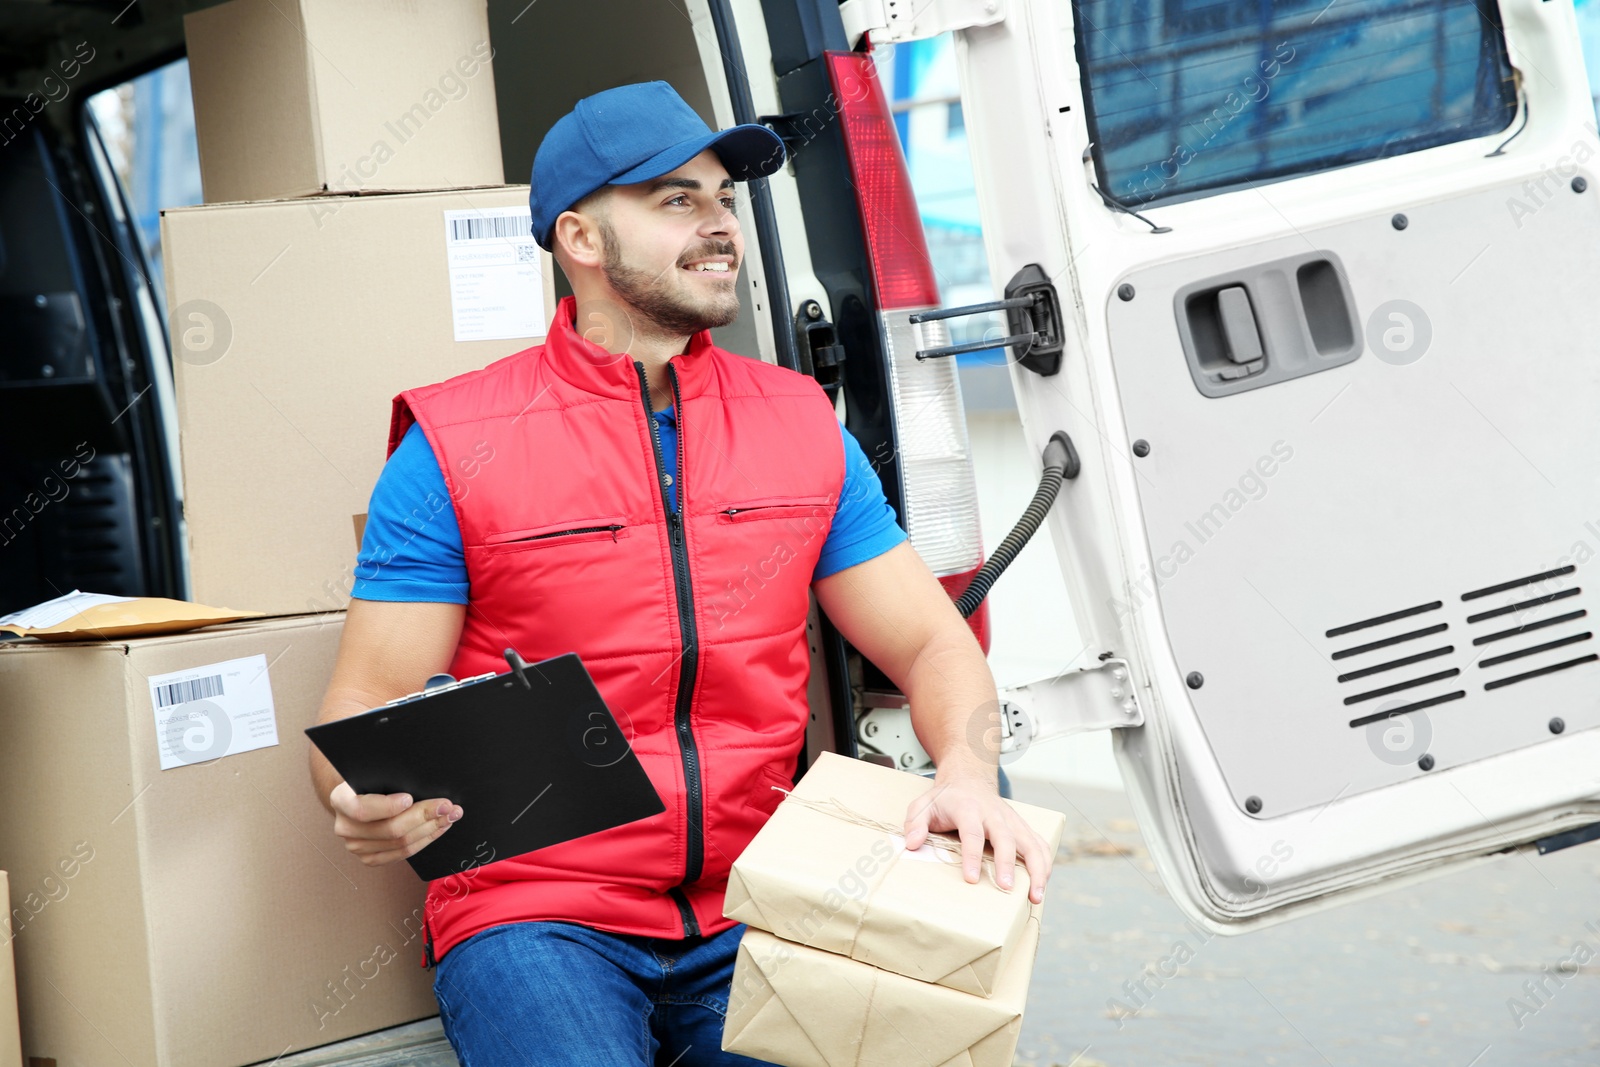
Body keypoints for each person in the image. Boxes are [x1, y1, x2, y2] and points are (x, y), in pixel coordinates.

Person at [309, 81, 1054, 1066]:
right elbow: (366, 700)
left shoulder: (796, 424)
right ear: (580, 238)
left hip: (764, 893)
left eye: (724, 200)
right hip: (537, 909)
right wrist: (361, 795)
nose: (719, 227)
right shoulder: (454, 445)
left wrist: (964, 768)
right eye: (676, 200)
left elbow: (928, 640)